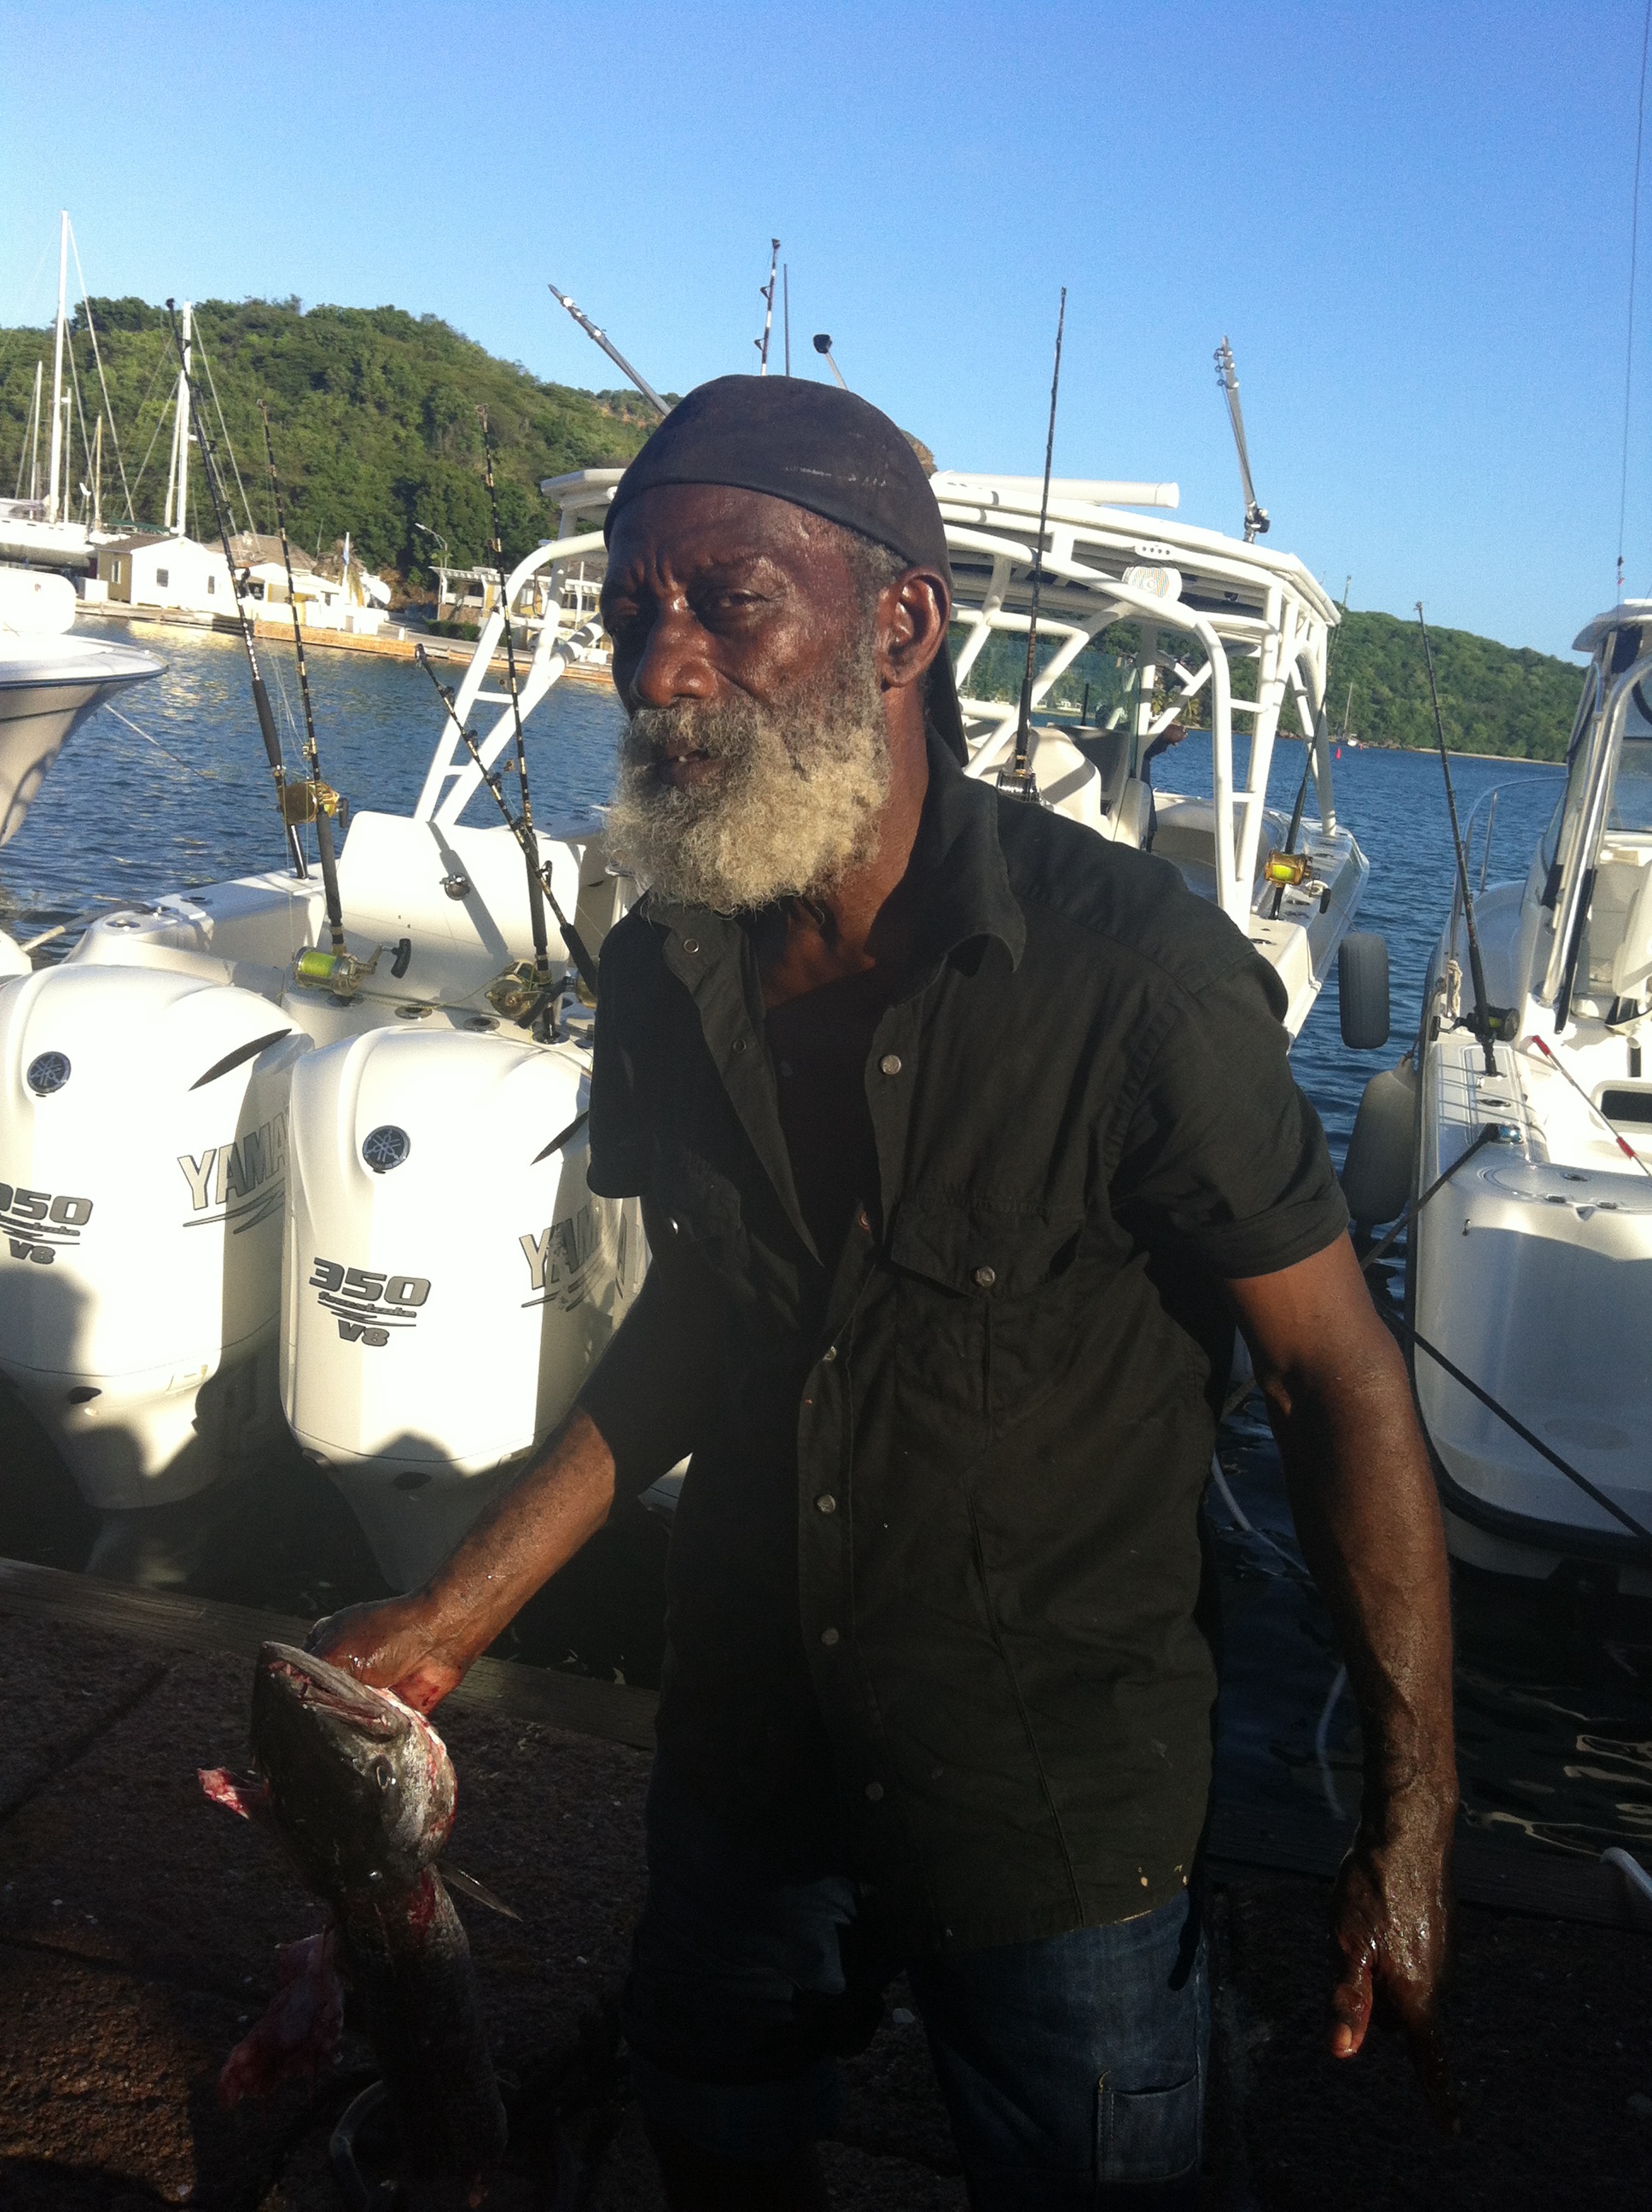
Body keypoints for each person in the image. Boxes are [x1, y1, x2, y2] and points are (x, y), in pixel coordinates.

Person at [311, 377, 1457, 2209]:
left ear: (901, 623)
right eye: (629, 613)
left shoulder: (1138, 983)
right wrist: (451, 1618)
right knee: (715, 2145)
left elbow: (1334, 1386)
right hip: (747, 1752)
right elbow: (701, 1315)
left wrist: (1405, 1828)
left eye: (726, 602)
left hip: (1055, 1803)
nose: (663, 668)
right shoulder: (665, 955)